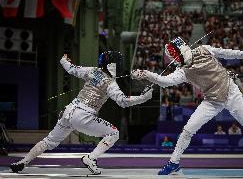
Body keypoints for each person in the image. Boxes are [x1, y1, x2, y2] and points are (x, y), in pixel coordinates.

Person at [131, 37, 243, 174]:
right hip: (212, 101)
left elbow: (226, 53)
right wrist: (146, 74)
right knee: (188, 130)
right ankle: (173, 163)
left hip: (231, 94)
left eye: (174, 56)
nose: (174, 60)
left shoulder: (204, 49)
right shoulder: (183, 71)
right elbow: (165, 81)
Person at [10, 51, 153, 175]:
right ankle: (90, 158)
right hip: (83, 116)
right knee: (114, 133)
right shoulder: (111, 83)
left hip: (68, 111)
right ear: (114, 64)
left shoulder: (92, 71)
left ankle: (23, 161)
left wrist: (63, 60)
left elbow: (71, 69)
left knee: (49, 141)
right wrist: (143, 98)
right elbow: (123, 101)